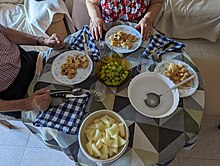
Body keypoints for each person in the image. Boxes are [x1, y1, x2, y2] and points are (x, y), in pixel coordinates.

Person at [0, 24, 65, 118]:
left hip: (30, 60)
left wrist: (43, 41)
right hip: (17, 95)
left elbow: (6, 33)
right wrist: (27, 104)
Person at [86, 0, 163, 40]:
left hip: (140, 31)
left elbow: (157, 2)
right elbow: (91, 2)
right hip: (104, 30)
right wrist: (96, 18)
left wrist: (148, 18)